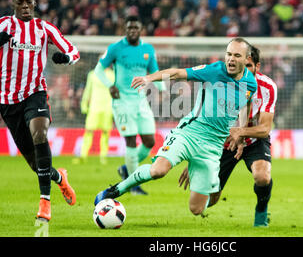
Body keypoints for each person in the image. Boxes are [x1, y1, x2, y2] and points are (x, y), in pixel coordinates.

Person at [94, 37, 258, 217]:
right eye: (228, 54)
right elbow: (178, 73)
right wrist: (150, 77)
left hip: (212, 146)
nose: (231, 59)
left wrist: (241, 134)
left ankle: (194, 165)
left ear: (247, 58)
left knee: (197, 209)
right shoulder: (215, 70)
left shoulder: (251, 84)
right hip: (189, 133)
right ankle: (115, 190)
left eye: (236, 55)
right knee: (158, 170)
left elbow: (245, 105)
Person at [0, 0, 79, 222]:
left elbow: (73, 51)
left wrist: (65, 57)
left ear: (34, 3)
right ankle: (59, 178)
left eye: (29, 2)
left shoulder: (44, 29)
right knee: (36, 165)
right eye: (20, 2)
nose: (25, 6)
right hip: (7, 100)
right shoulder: (2, 25)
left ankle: (45, 202)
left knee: (40, 134)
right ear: (13, 4)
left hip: (35, 92)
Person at [179, 46, 277, 227]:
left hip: (254, 139)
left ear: (257, 66)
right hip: (224, 141)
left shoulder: (268, 87)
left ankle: (261, 210)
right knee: (212, 199)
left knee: (262, 176)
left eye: (249, 66)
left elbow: (264, 128)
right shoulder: (222, 82)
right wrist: (197, 158)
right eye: (242, 65)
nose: (244, 70)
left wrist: (241, 132)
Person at [94, 15, 166, 195]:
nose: (132, 31)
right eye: (129, 28)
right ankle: (134, 185)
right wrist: (110, 85)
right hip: (122, 102)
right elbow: (99, 69)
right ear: (125, 29)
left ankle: (127, 169)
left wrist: (163, 89)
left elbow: (154, 71)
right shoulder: (116, 48)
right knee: (131, 141)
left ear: (141, 30)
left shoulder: (148, 49)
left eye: (136, 28)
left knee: (150, 141)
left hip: (141, 102)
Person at [73, 67, 114, 165]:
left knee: (106, 133)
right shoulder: (92, 74)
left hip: (108, 107)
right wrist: (84, 103)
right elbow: (88, 89)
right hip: (94, 107)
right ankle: (83, 156)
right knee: (89, 131)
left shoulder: (113, 74)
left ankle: (103, 157)